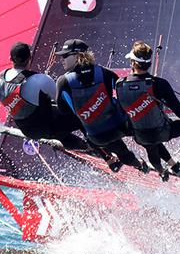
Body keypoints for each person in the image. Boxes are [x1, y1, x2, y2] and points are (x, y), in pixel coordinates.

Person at [116, 41, 180, 185]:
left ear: (132, 62)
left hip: (139, 136)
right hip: (162, 132)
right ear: (149, 63)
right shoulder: (159, 84)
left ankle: (173, 166)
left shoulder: (119, 84)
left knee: (149, 135)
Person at [55, 38, 148, 173]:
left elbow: (63, 110)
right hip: (120, 126)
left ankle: (134, 164)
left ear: (77, 56)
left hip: (98, 136)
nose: (61, 59)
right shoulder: (104, 73)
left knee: (84, 123)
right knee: (136, 128)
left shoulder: (63, 82)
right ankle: (163, 158)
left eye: (65, 56)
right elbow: (126, 93)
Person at [0, 42, 87, 150]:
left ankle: (77, 144)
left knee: (53, 124)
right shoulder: (39, 79)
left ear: (10, 58)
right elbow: (64, 102)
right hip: (46, 128)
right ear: (30, 58)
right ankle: (97, 143)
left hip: (27, 130)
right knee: (81, 114)